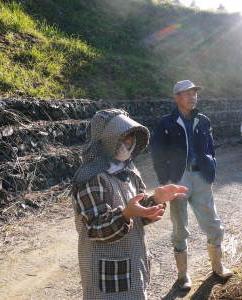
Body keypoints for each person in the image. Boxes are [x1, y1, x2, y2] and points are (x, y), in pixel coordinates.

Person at [71, 109, 187, 299]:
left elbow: (137, 212)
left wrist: (156, 200)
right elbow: (96, 228)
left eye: (131, 139)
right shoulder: (91, 177)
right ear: (106, 140)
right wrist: (126, 214)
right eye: (123, 139)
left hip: (133, 260)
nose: (129, 144)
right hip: (105, 271)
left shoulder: (129, 171)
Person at [151, 80, 233, 290]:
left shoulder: (203, 120)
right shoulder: (166, 122)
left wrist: (211, 166)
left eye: (194, 93)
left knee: (213, 224)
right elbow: (158, 153)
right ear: (176, 97)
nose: (192, 97)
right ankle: (183, 276)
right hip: (178, 179)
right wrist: (165, 180)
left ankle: (218, 267)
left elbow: (210, 148)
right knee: (180, 228)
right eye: (187, 93)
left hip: (201, 178)